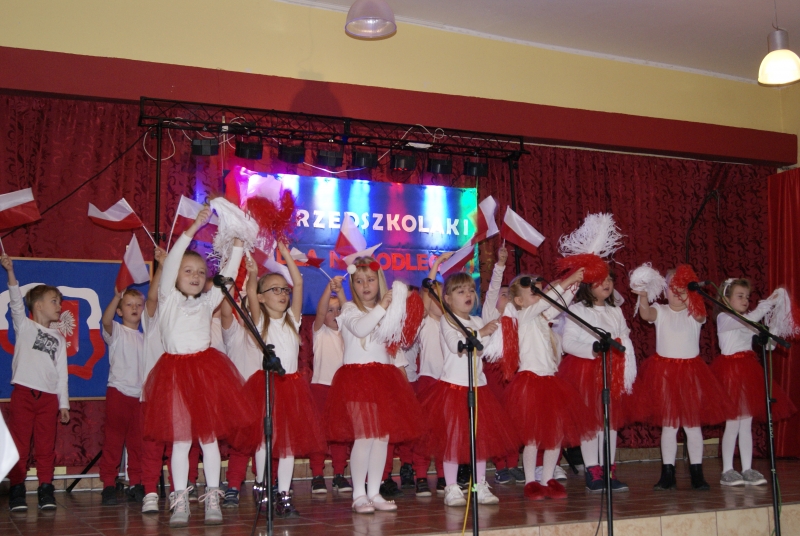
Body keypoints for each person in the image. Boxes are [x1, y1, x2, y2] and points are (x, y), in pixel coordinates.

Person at [141, 207, 250, 527]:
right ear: (174, 276)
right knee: (180, 440)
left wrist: (239, 245)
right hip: (174, 373)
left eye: (201, 272)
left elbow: (227, 275)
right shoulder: (168, 299)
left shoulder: (207, 301)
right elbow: (174, 258)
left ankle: (213, 496)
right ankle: (180, 501)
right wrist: (192, 229)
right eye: (188, 271)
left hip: (204, 372)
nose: (195, 276)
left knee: (209, 439)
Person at [231, 243, 326, 517]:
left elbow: (299, 282)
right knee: (264, 440)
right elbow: (250, 292)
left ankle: (284, 494)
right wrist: (252, 275)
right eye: (275, 290)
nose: (283, 294)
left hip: (292, 386)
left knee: (288, 445)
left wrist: (285, 255)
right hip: (267, 386)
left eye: (284, 290)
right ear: (262, 298)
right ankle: (262, 487)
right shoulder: (260, 322)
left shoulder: (292, 320)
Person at [324, 257, 425, 514]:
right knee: (364, 436)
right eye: (359, 281)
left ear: (379, 281)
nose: (365, 285)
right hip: (357, 381)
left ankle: (374, 491)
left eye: (370, 280)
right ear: (353, 285)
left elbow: (401, 340)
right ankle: (358, 493)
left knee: (382, 438)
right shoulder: (348, 310)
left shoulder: (385, 313)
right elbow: (361, 329)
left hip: (383, 380)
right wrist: (383, 306)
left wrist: (406, 305)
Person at [420, 271, 515, 507]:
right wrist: (481, 334)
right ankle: (452, 487)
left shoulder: (478, 321)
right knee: (453, 439)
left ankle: (479, 484)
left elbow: (483, 349)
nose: (468, 295)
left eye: (471, 290)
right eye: (460, 291)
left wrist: (496, 334)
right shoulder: (448, 321)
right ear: (448, 299)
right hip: (453, 388)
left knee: (478, 439)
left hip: (478, 387)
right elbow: (457, 346)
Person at [634, 266, 733, 491]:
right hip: (665, 374)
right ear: (664, 290)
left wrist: (689, 294)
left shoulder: (694, 312)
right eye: (672, 287)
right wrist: (643, 296)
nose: (676, 291)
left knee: (692, 425)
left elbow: (700, 315)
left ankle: (697, 472)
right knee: (669, 425)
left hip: (691, 373)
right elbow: (646, 314)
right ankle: (667, 472)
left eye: (681, 287)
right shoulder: (660, 310)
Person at [504, 270, 589, 500]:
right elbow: (545, 303)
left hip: (550, 381)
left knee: (555, 435)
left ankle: (548, 479)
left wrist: (574, 285)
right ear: (519, 300)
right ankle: (531, 481)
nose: (538, 294)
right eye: (532, 292)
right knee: (532, 437)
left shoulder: (542, 316)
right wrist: (567, 280)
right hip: (530, 382)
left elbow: (558, 304)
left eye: (538, 290)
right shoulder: (524, 315)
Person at [2, 254, 70, 512]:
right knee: (19, 443)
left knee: (45, 445)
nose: (59, 306)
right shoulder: (25, 326)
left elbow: (62, 374)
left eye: (60, 301)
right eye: (54, 301)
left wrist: (63, 404)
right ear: (38, 305)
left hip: (48, 399)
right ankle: (17, 488)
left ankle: (45, 488)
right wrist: (10, 272)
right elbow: (15, 301)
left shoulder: (59, 339)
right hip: (23, 394)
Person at [712, 279, 797, 487]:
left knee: (746, 424)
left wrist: (775, 325)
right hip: (731, 373)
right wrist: (768, 303)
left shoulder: (747, 321)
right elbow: (751, 319)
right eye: (740, 296)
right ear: (726, 299)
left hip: (748, 372)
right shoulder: (725, 318)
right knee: (733, 423)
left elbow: (769, 346)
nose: (745, 300)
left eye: (747, 297)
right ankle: (727, 470)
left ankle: (747, 468)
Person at [560, 270, 636, 492]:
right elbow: (568, 343)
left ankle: (608, 471)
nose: (607, 283)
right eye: (600, 280)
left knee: (610, 423)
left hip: (612, 371)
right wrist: (592, 351)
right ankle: (592, 471)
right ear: (587, 285)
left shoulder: (616, 311)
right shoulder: (577, 310)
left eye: (610, 279)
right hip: (586, 371)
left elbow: (625, 337)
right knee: (591, 423)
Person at [99, 287, 145, 506]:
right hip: (118, 392)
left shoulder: (146, 338)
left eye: (138, 305)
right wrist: (117, 295)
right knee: (114, 440)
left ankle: (136, 482)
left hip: (140, 397)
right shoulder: (116, 331)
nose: (134, 308)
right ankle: (108, 483)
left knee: (138, 442)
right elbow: (105, 321)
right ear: (120, 311)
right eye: (129, 304)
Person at [481, 246, 524, 485]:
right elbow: (493, 289)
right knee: (497, 420)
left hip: (515, 372)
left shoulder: (518, 318)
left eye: (511, 295)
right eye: (504, 294)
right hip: (493, 372)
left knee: (514, 419)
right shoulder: (490, 314)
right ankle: (500, 466)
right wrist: (500, 264)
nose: (507, 297)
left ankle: (513, 463)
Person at [308, 279, 352, 494]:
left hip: (342, 389)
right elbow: (320, 310)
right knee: (318, 433)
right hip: (320, 388)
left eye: (339, 309)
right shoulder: (320, 331)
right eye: (330, 310)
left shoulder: (350, 334)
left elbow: (351, 312)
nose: (335, 314)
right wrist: (329, 287)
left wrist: (342, 296)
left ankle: (339, 474)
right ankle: (317, 474)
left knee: (340, 434)